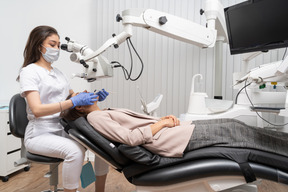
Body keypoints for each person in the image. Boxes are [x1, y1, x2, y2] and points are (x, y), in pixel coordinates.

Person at [62, 91, 288, 160]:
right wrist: (162, 124)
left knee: (236, 125)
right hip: (173, 140)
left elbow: (137, 126)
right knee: (238, 131)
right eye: (81, 94)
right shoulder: (96, 118)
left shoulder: (104, 112)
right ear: (80, 107)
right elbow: (129, 139)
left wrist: (164, 121)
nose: (87, 92)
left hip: (176, 132)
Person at [18, 25, 109, 192]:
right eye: (52, 44)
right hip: (39, 133)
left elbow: (72, 96)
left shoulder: (59, 73)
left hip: (63, 127)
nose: (56, 49)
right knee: (74, 152)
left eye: (58, 45)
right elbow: (37, 109)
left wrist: (92, 97)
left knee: (102, 143)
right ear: (39, 46)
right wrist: (73, 102)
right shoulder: (29, 72)